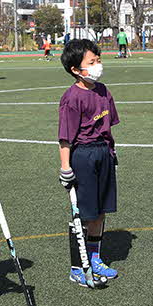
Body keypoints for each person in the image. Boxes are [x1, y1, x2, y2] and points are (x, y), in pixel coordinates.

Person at [57, 39, 121, 285]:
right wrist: (66, 167)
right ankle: (77, 267)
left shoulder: (104, 91)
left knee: (100, 211)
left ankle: (94, 258)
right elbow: (65, 138)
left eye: (98, 60)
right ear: (76, 69)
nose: (97, 66)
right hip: (82, 156)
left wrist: (110, 153)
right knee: (83, 213)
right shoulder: (71, 98)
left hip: (103, 153)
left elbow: (108, 128)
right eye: (91, 62)